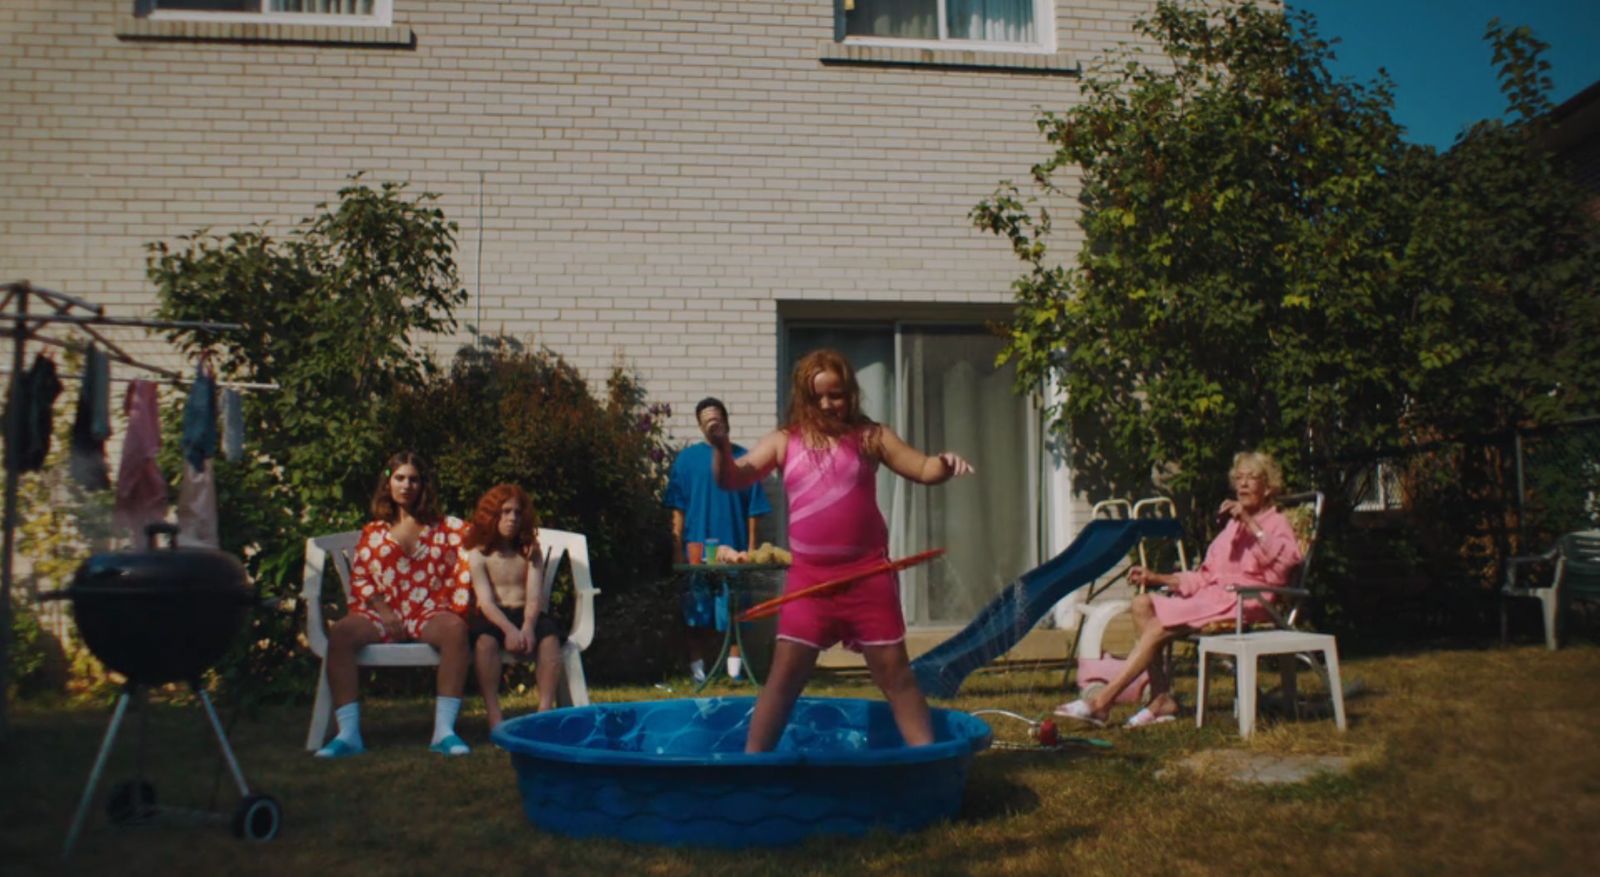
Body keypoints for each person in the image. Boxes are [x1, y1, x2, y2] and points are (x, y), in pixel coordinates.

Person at [707, 349, 974, 753]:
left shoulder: (870, 436)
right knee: (783, 681)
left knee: (896, 676)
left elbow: (921, 469)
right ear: (803, 398)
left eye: (837, 395)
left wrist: (944, 462)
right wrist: (721, 445)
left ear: (850, 394)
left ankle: (928, 761)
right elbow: (732, 478)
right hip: (809, 582)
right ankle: (752, 765)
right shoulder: (785, 441)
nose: (829, 404)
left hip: (866, 576)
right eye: (818, 397)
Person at [1055, 451, 1304, 728]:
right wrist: (1158, 577)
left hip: (1248, 600)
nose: (1242, 484)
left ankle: (1102, 703)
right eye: (1239, 478)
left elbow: (1285, 565)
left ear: (1268, 486)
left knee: (1159, 627)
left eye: (1252, 478)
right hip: (1213, 597)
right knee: (1142, 603)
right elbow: (1205, 576)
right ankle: (1161, 698)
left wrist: (1250, 523)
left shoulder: (1274, 523)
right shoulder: (1233, 527)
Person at [315, 452, 474, 758]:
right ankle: (348, 735)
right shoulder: (374, 532)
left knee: (455, 630)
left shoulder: (445, 528)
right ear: (388, 483)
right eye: (400, 478)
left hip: (428, 610)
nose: (407, 485)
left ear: (423, 485)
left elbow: (485, 536)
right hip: (381, 612)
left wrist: (524, 539)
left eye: (414, 479)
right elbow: (361, 577)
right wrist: (384, 610)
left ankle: (444, 732)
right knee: (342, 634)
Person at [664, 397, 773, 683]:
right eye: (707, 420)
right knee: (695, 614)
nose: (713, 424)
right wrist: (677, 550)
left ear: (726, 421)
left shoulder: (746, 459)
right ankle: (698, 671)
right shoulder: (686, 461)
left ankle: (734, 672)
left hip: (734, 552)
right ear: (700, 425)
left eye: (717, 418)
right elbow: (677, 509)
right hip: (696, 553)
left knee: (735, 613)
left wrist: (751, 550)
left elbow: (754, 511)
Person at [460, 484, 562, 729]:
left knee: (550, 639)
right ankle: (494, 715)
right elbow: (485, 602)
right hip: (495, 616)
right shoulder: (479, 554)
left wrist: (527, 627)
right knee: (485, 644)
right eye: (505, 512)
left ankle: (544, 712)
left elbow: (535, 597)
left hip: (527, 612)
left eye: (517, 512)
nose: (512, 518)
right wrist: (509, 630)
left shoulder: (529, 552)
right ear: (491, 516)